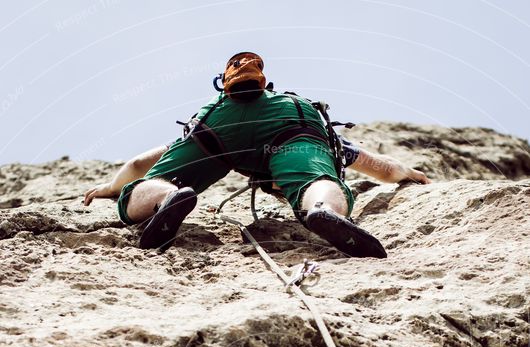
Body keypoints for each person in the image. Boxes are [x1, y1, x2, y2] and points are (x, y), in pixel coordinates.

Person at [84, 52, 430, 257]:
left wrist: (114, 188)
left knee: (156, 180)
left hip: (217, 134)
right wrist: (407, 174)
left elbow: (137, 164)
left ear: (225, 84)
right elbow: (379, 167)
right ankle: (322, 209)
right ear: (265, 84)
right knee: (315, 178)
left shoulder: (215, 113)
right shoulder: (291, 109)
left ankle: (167, 197)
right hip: (293, 130)